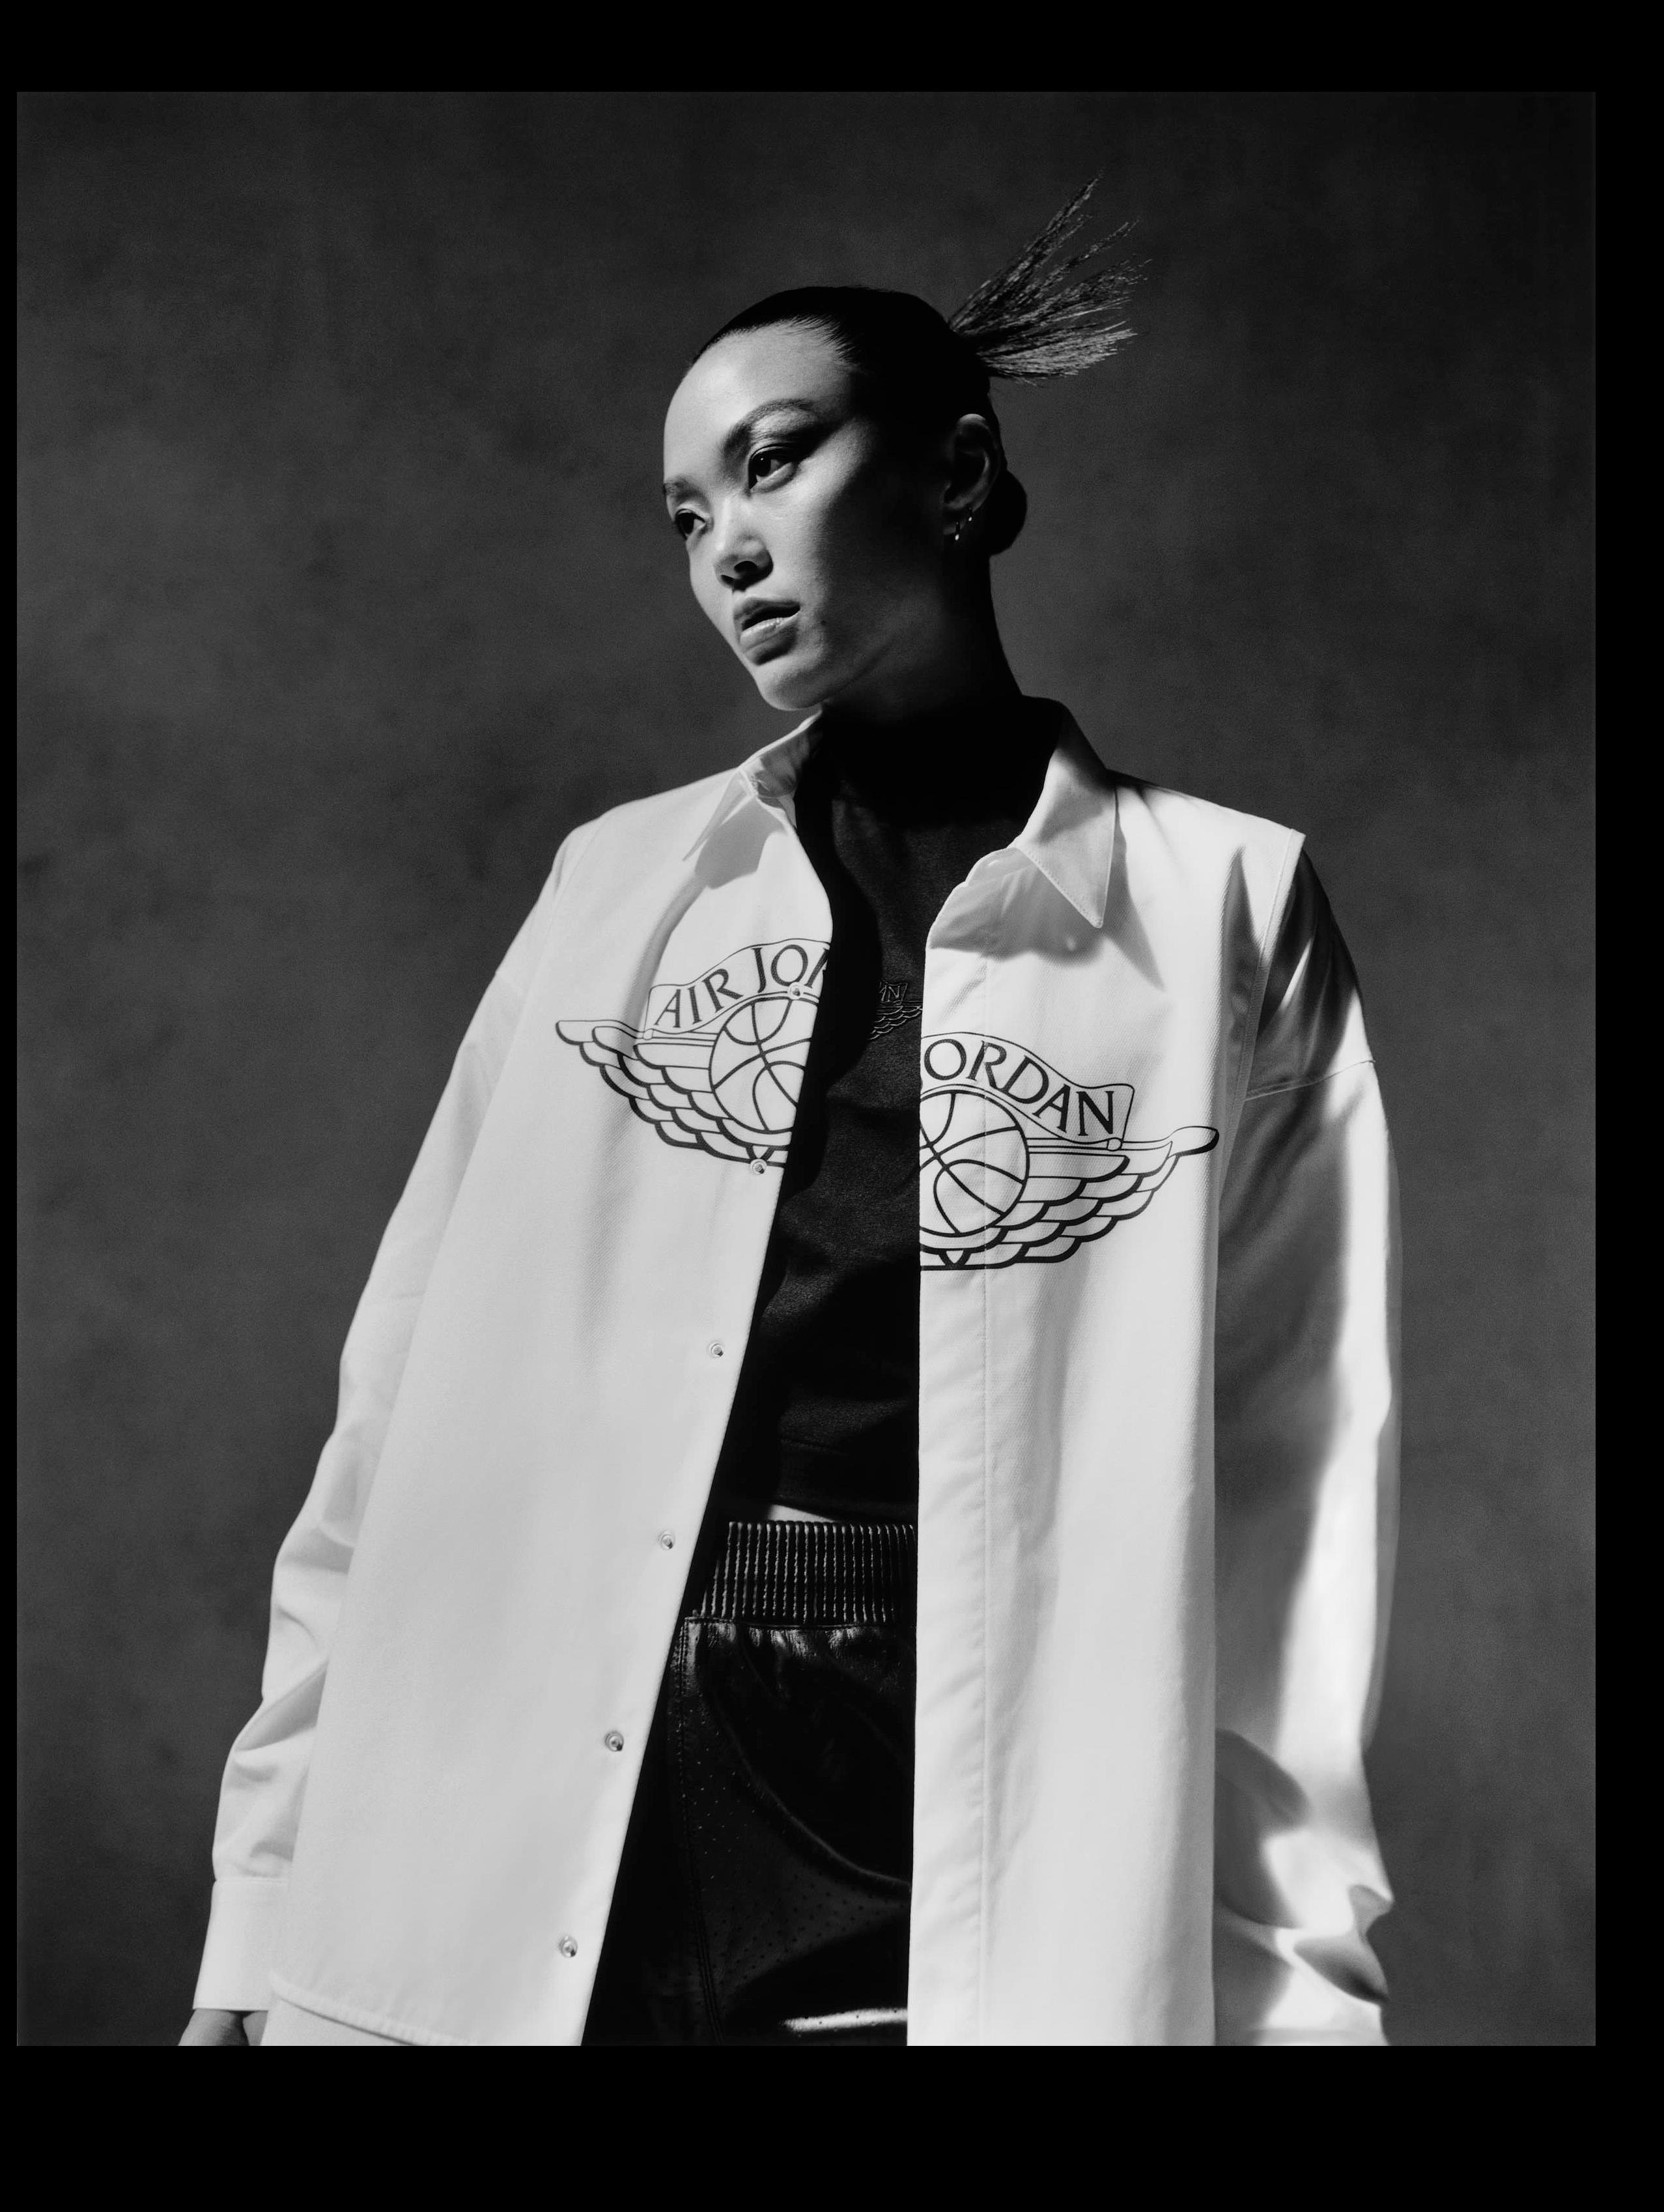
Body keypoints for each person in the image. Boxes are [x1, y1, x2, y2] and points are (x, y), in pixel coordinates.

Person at [181, 181, 1398, 2048]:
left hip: (934, 1799)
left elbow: (1292, 1505)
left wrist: (1300, 2005)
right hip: (544, 1804)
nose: (727, 550)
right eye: (686, 517)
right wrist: (260, 1911)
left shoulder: (1223, 908)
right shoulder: (616, 888)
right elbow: (397, 1427)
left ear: (958, 473)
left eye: (771, 463)